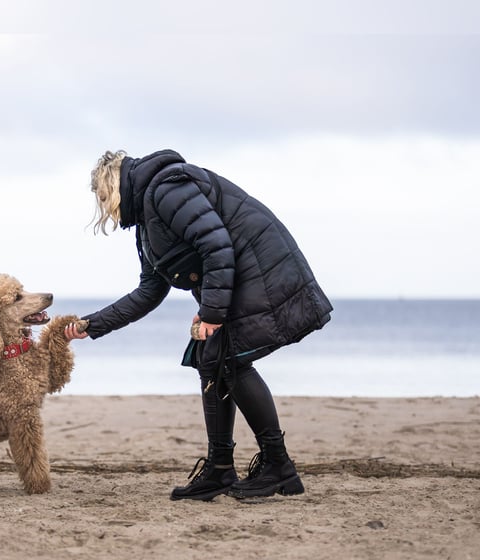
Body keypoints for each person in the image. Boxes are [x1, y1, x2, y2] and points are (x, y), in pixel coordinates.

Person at [64, 149, 333, 501]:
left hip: (262, 268)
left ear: (113, 184)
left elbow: (217, 246)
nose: (105, 209)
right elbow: (149, 291)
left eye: (102, 197)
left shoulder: (166, 189)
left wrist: (212, 313)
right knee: (212, 358)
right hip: (243, 274)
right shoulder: (148, 223)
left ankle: (278, 465)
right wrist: (92, 324)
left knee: (229, 360)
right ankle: (221, 469)